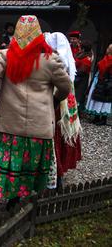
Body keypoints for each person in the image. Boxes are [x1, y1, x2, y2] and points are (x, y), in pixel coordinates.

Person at [0, 15, 71, 210]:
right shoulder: (50, 59)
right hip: (38, 126)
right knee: (27, 165)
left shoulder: (5, 56)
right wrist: (54, 100)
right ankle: (15, 200)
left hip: (9, 124)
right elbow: (65, 87)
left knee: (1, 159)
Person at [45, 32, 82, 188]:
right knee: (62, 138)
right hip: (66, 106)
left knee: (55, 139)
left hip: (57, 107)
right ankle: (59, 173)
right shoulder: (66, 60)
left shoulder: (57, 61)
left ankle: (55, 173)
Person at [85, 44, 112, 125]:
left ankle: (103, 119)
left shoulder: (110, 60)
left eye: (108, 48)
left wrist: (108, 83)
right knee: (97, 99)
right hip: (100, 80)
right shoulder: (106, 57)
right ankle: (97, 117)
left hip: (106, 81)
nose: (106, 49)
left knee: (105, 101)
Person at [74, 40, 93, 112]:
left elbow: (81, 72)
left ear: (83, 49)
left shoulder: (87, 59)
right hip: (77, 77)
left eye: (80, 47)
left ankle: (77, 113)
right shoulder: (81, 55)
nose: (79, 49)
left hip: (81, 80)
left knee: (78, 96)